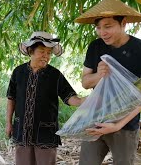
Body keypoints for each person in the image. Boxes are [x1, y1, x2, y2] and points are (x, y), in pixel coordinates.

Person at [75, 0, 141, 165]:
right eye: (98, 27)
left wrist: (118, 125)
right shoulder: (95, 46)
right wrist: (99, 75)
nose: (102, 32)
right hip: (95, 119)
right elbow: (85, 82)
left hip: (125, 125)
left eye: (108, 26)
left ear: (124, 23)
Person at [6, 31, 85, 165]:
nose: (46, 56)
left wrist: (84, 101)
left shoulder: (55, 75)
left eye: (49, 53)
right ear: (31, 51)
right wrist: (8, 123)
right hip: (22, 130)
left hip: (46, 133)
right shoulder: (18, 72)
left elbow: (69, 97)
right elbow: (11, 99)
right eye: (42, 51)